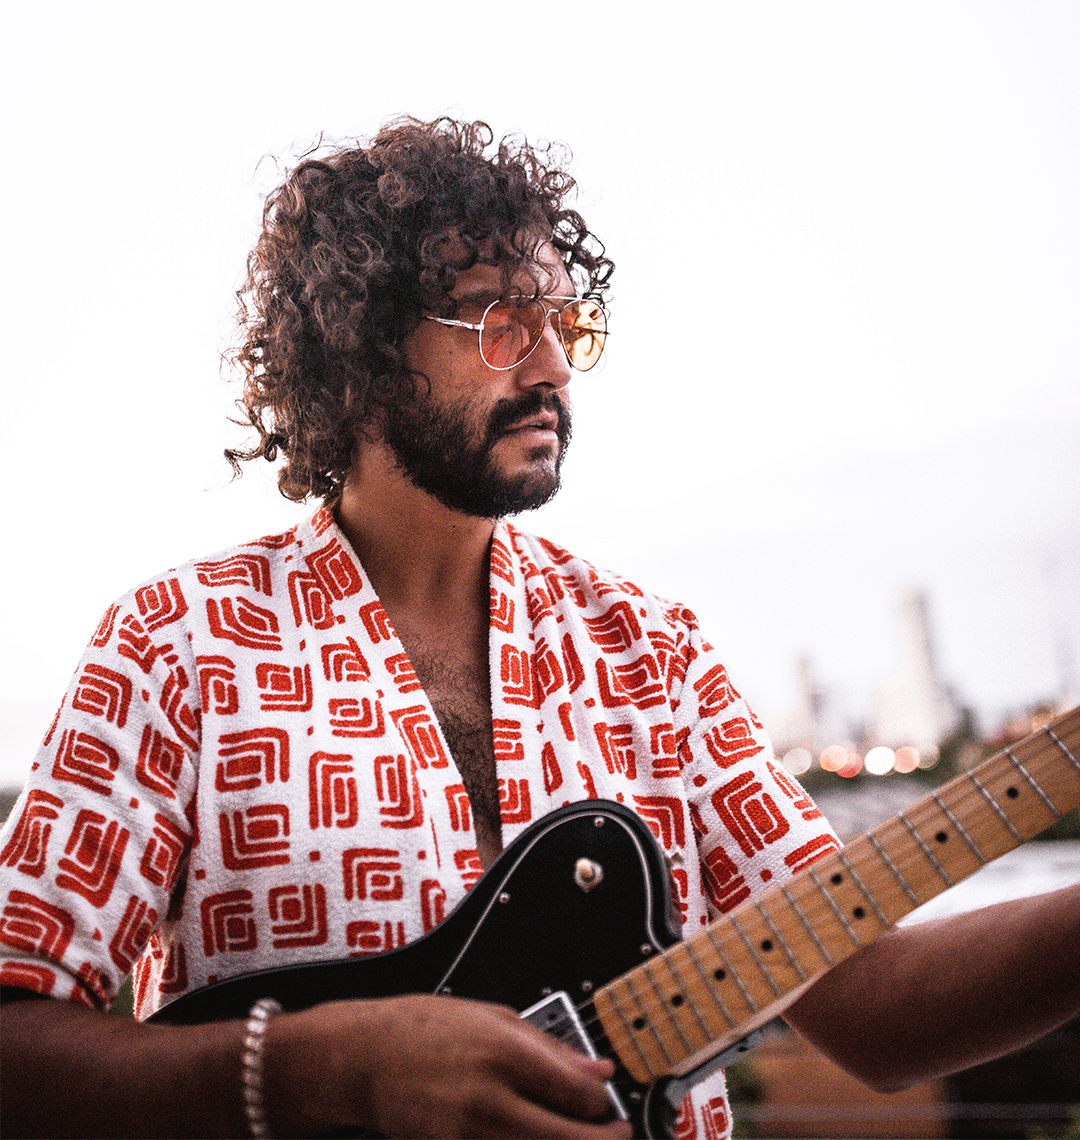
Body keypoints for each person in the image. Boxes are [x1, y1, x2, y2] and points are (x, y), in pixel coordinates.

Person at [0, 117, 1077, 1140]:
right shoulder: (182, 644)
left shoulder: (652, 650)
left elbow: (869, 1009)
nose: (554, 365)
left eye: (567, 325)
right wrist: (315, 1070)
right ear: (357, 350)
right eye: (502, 323)